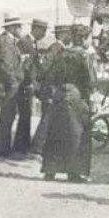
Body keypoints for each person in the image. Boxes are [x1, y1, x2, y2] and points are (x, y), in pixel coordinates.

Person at [41, 24, 95, 182]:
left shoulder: (61, 54)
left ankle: (50, 170)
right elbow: (91, 81)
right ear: (84, 38)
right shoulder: (84, 56)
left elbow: (49, 76)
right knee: (77, 134)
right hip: (77, 96)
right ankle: (75, 172)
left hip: (59, 95)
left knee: (56, 133)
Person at [30, 24, 71, 157]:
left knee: (48, 118)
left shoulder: (56, 47)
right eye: (68, 33)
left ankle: (39, 146)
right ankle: (38, 148)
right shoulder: (56, 48)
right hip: (50, 89)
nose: (70, 36)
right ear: (62, 35)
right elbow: (46, 67)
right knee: (47, 118)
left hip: (49, 88)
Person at [0, 14, 24, 158]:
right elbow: (4, 65)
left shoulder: (8, 40)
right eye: (19, 26)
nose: (20, 29)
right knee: (7, 115)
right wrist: (13, 81)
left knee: (6, 115)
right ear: (12, 27)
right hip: (5, 85)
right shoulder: (6, 42)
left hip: (5, 84)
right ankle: (3, 149)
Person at [15, 19, 48, 155]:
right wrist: (30, 81)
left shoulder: (32, 43)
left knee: (26, 115)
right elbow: (25, 65)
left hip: (28, 82)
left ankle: (23, 145)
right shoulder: (25, 42)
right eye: (43, 31)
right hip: (24, 83)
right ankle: (21, 146)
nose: (44, 34)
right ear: (36, 29)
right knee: (25, 114)